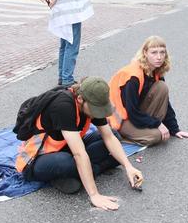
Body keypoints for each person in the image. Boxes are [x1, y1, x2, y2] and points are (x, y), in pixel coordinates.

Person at [15, 77, 143, 211]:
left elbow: (109, 136)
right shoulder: (63, 106)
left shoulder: (92, 100)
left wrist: (129, 167)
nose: (97, 113)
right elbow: (79, 154)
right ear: (80, 99)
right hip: (36, 160)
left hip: (67, 148)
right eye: (95, 109)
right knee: (66, 161)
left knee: (114, 135)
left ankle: (78, 174)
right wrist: (94, 195)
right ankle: (84, 171)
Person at [108, 36, 188, 146]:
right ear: (145, 53)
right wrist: (158, 124)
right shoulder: (132, 77)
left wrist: (175, 129)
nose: (159, 57)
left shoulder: (156, 71)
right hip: (119, 119)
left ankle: (142, 130)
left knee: (162, 87)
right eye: (154, 53)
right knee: (156, 136)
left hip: (135, 115)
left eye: (162, 52)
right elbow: (132, 111)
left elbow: (166, 103)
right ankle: (118, 136)